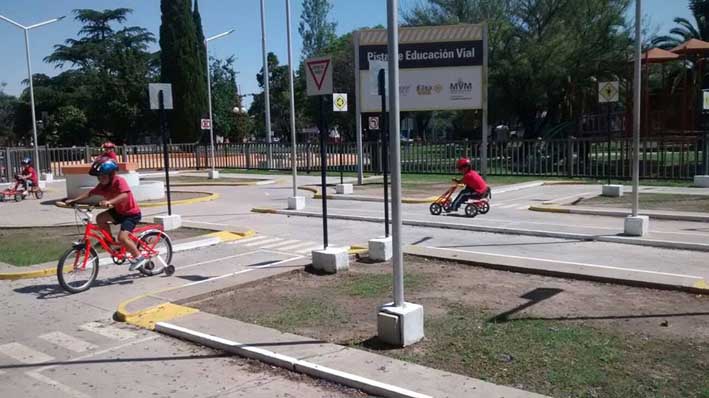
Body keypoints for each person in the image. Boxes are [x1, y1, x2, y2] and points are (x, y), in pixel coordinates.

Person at [65, 158, 146, 271]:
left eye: (103, 176)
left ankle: (139, 257)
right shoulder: (102, 186)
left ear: (111, 174)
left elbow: (125, 195)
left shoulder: (119, 181)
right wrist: (74, 200)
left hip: (131, 214)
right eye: (98, 176)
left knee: (122, 237)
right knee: (100, 218)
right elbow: (89, 193)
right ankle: (111, 241)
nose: (100, 179)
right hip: (118, 211)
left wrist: (109, 202)